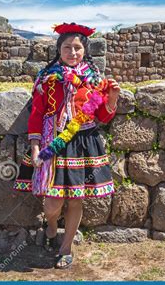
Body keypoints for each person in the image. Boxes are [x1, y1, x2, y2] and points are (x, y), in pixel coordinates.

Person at [14, 22, 120, 269]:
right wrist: (35, 145)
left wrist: (112, 99)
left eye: (77, 48)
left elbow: (102, 117)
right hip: (54, 142)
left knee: (75, 199)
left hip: (84, 143)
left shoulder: (94, 81)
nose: (72, 53)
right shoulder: (47, 78)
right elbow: (37, 113)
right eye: (67, 48)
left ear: (85, 50)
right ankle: (52, 225)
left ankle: (66, 248)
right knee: (52, 204)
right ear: (58, 51)